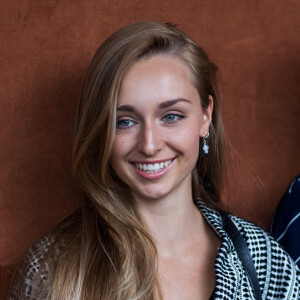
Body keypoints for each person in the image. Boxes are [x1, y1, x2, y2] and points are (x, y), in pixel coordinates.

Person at [9, 21, 299, 299]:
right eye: (124, 121)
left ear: (205, 116)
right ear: (99, 130)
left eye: (171, 116)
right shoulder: (51, 268)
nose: (149, 145)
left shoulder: (267, 265)